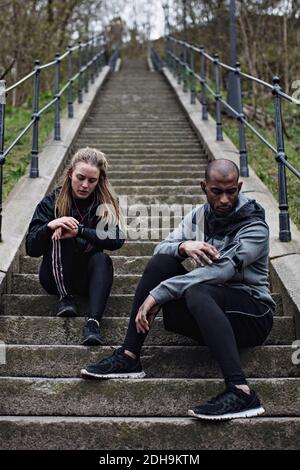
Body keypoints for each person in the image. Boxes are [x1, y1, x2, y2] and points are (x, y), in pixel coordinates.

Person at [80, 158, 275, 421]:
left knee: (198, 290)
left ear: (239, 187)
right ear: (204, 187)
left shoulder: (255, 226)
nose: (225, 199)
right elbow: (160, 249)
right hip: (208, 312)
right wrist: (184, 246)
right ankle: (129, 355)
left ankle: (241, 391)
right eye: (217, 191)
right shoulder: (198, 216)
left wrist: (158, 294)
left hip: (252, 315)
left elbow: (222, 271)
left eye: (232, 191)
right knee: (163, 262)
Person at [26, 147, 125, 346]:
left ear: (99, 180)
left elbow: (116, 240)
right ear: (70, 173)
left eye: (92, 180)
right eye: (80, 178)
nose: (85, 185)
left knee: (102, 259)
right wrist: (49, 226)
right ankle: (65, 297)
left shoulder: (104, 205)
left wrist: (80, 230)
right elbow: (31, 247)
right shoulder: (51, 202)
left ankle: (93, 323)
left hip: (86, 278)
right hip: (54, 277)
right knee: (60, 233)